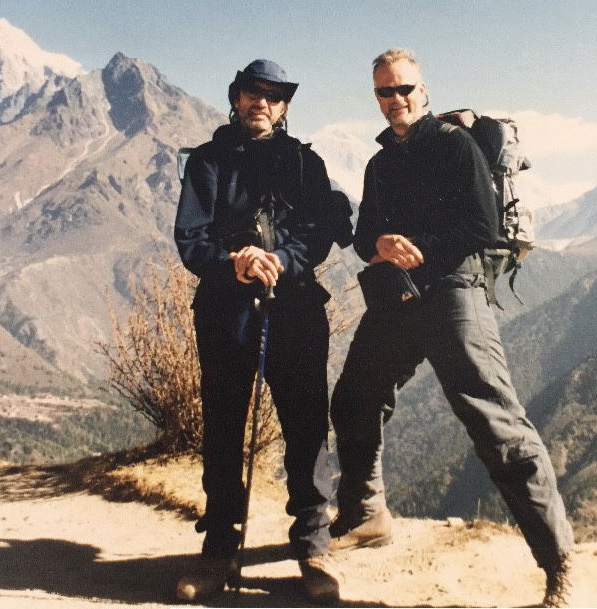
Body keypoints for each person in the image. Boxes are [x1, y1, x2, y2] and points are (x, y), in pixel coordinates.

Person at [329, 48, 575, 607]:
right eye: (385, 93)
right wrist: (379, 245)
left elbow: (483, 226)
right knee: (354, 398)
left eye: (405, 89)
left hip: (454, 291)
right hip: (399, 295)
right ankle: (367, 515)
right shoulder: (380, 162)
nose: (397, 101)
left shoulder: (455, 145)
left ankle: (557, 560)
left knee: (494, 422)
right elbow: (365, 233)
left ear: (425, 90)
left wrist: (421, 250)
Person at [174, 59, 342, 604]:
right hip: (226, 309)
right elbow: (190, 240)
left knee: (306, 425)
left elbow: (317, 234)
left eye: (273, 96)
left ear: (285, 106)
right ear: (236, 97)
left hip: (293, 307)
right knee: (223, 425)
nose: (262, 103)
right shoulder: (205, 163)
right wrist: (236, 263)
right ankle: (220, 545)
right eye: (253, 93)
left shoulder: (304, 164)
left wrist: (280, 260)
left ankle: (313, 548)